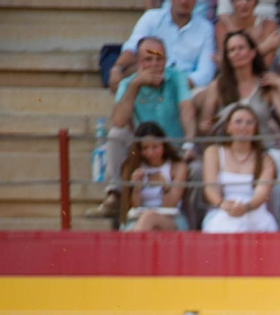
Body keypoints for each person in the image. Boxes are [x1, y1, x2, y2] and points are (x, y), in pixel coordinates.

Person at [91, 37, 198, 219]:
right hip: (143, 151)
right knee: (117, 134)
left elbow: (187, 110)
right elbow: (118, 121)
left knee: (198, 169)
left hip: (174, 150)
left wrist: (189, 143)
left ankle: (196, 221)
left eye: (159, 59)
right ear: (139, 63)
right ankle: (114, 194)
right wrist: (134, 85)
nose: (155, 65)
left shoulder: (177, 76)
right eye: (148, 60)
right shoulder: (128, 83)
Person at [198, 30, 280, 149]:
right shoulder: (217, 86)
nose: (237, 53)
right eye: (232, 50)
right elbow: (203, 126)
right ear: (227, 57)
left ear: (252, 53)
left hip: (264, 150)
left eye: (241, 48)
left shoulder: (266, 83)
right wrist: (206, 126)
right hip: (228, 152)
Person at [201, 103, 279, 232]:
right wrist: (223, 205)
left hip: (255, 211)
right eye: (238, 122)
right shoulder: (213, 152)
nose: (243, 126)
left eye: (249, 123)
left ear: (255, 128)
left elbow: (262, 193)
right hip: (223, 210)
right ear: (228, 127)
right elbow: (210, 188)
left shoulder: (265, 158)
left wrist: (246, 208)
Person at [110, 0, 215, 92]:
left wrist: (175, 83)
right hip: (150, 79)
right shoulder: (151, 18)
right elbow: (132, 48)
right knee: (129, 77)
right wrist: (117, 68)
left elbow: (205, 73)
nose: (184, 1)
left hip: (186, 85)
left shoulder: (206, 28)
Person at [119, 121, 189, 231]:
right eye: (145, 148)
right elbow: (133, 207)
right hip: (138, 218)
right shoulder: (132, 166)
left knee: (149, 217)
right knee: (150, 226)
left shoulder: (177, 167)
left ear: (163, 145)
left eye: (155, 147)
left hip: (171, 218)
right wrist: (136, 188)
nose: (150, 153)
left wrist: (165, 187)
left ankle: (130, 247)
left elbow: (170, 205)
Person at [214, 0, 280, 61]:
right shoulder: (222, 26)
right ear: (232, 2)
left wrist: (238, 57)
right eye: (238, 0)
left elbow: (264, 65)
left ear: (256, 2)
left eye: (249, 0)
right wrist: (264, 47)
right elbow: (226, 63)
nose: (244, 3)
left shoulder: (268, 26)